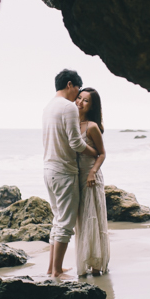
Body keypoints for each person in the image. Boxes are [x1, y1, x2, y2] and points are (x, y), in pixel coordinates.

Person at [43, 69, 98, 278]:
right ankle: (56, 270)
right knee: (65, 223)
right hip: (64, 171)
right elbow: (75, 142)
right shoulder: (68, 107)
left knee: (58, 219)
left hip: (48, 169)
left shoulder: (48, 107)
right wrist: (94, 152)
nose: (78, 95)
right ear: (69, 85)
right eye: (77, 89)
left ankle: (51, 267)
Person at [75, 88, 110, 275]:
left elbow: (102, 153)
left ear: (92, 106)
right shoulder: (70, 123)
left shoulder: (92, 126)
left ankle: (96, 267)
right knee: (81, 221)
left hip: (91, 178)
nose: (80, 102)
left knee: (93, 219)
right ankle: (84, 262)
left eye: (86, 100)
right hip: (76, 178)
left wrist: (93, 173)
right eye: (79, 97)